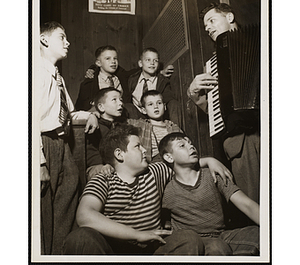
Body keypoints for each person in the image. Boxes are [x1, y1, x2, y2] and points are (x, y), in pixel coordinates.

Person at [62, 124, 204, 255]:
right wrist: (136, 234)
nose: (144, 149)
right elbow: (84, 215)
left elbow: (182, 164)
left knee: (188, 238)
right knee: (80, 238)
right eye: (137, 146)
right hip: (115, 251)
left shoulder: (154, 172)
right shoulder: (103, 180)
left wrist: (210, 161)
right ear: (119, 154)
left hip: (152, 250)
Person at [187, 3, 260, 205]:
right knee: (254, 204)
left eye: (212, 21)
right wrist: (194, 94)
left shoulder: (262, 40)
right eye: (205, 27)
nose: (208, 28)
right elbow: (214, 111)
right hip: (240, 142)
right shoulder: (212, 65)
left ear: (229, 17)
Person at [39, 21, 99, 254]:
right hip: (44, 143)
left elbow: (67, 114)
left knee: (69, 193)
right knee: (43, 207)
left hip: (62, 144)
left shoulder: (58, 77)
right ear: (44, 40)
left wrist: (89, 115)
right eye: (62, 37)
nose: (68, 42)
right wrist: (40, 161)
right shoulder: (36, 72)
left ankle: (57, 253)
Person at [86, 88, 233, 182]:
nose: (156, 107)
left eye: (159, 103)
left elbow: (184, 150)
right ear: (143, 110)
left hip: (172, 163)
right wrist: (92, 114)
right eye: (150, 104)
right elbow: (110, 120)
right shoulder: (137, 124)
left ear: (165, 106)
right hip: (152, 165)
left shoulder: (173, 127)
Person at [159, 132, 260, 256]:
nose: (191, 146)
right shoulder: (169, 190)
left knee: (258, 234)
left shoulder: (212, 174)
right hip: (191, 243)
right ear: (169, 157)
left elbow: (246, 204)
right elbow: (165, 222)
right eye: (182, 145)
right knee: (217, 247)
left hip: (221, 235)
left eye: (190, 143)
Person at [127, 47, 182, 127]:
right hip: (138, 114)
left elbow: (168, 98)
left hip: (155, 114)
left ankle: (175, 134)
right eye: (148, 60)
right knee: (128, 107)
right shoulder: (132, 79)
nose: (152, 63)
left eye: (155, 60)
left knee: (174, 103)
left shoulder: (162, 81)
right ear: (140, 63)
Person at [75, 45, 134, 111]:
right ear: (98, 63)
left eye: (115, 58)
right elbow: (81, 108)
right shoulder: (89, 84)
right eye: (108, 58)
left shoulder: (123, 78)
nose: (113, 61)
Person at [85, 87, 126, 181]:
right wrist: (100, 165)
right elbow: (91, 150)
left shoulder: (120, 126)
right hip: (97, 165)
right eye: (114, 100)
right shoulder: (96, 125)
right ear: (101, 107)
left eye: (121, 100)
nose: (120, 103)